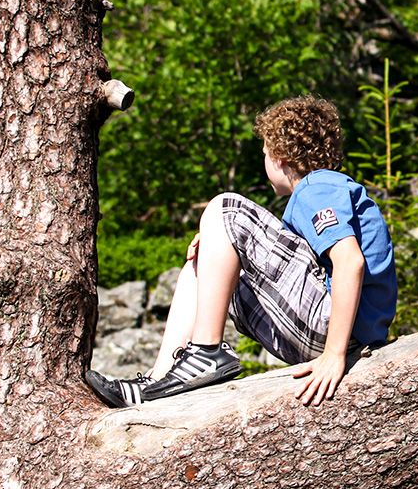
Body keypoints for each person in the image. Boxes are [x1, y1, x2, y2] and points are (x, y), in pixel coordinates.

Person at [85, 95, 397, 407]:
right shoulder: (318, 193)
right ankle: (160, 380)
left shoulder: (318, 187)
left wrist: (334, 355)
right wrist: (214, 246)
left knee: (226, 207)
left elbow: (350, 261)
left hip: (337, 333)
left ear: (279, 155)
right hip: (325, 329)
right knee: (199, 267)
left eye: (264, 153)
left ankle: (205, 354)